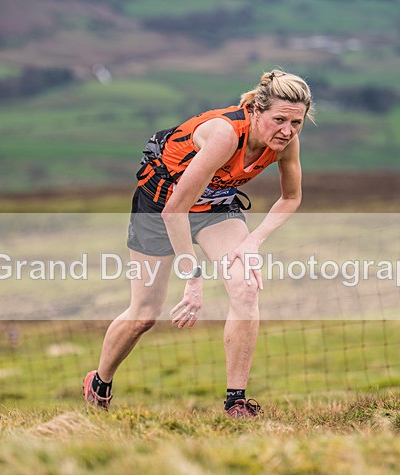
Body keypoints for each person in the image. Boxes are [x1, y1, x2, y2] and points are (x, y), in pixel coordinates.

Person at [82, 69, 313, 418]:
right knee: (144, 315)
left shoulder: (286, 143)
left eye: (296, 122)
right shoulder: (225, 135)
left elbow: (291, 198)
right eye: (279, 120)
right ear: (256, 111)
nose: (287, 131)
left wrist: (253, 241)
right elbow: (175, 210)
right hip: (161, 206)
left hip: (214, 208)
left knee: (246, 287)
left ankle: (236, 403)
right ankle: (100, 382)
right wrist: (192, 280)